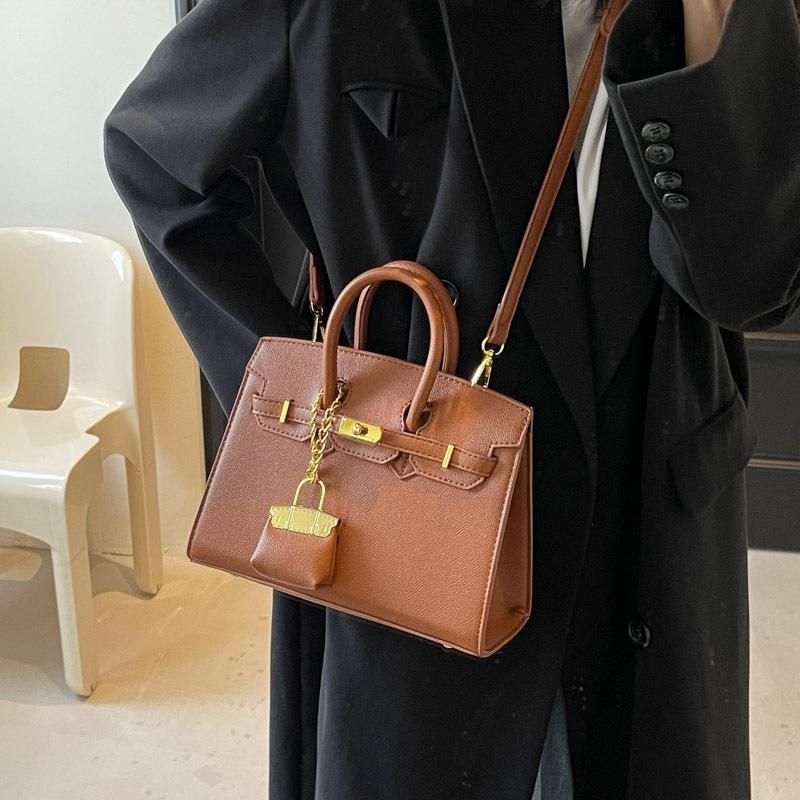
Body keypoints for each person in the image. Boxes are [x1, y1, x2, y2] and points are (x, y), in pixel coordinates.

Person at [103, 1, 800, 798]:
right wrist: (293, 398)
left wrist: (711, 35)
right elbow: (155, 154)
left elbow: (751, 289)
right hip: (412, 501)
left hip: (651, 499)